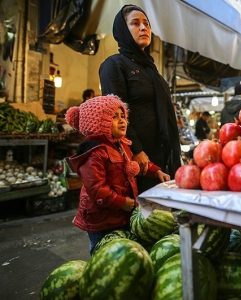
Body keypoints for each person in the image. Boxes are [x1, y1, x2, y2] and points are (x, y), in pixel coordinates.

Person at [65, 95, 170, 254]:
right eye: (114, 117)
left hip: (120, 215)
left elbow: (136, 165)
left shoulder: (122, 145)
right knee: (102, 251)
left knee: (119, 251)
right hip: (101, 219)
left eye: (123, 116)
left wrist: (156, 171)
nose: (122, 121)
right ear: (98, 123)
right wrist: (122, 202)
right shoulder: (93, 153)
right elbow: (97, 189)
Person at [99, 5, 181, 193]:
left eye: (147, 24)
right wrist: (136, 149)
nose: (144, 28)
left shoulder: (151, 70)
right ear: (122, 30)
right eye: (135, 23)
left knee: (160, 215)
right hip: (136, 159)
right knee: (139, 214)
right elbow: (116, 113)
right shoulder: (114, 65)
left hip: (160, 155)